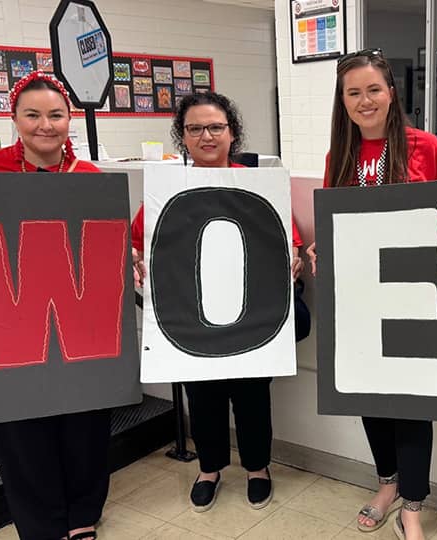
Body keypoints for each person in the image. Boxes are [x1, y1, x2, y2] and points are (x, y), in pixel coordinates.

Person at [0, 71, 107, 540]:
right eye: (32, 115)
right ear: (14, 118)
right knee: (21, 426)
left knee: (83, 421)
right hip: (10, 321)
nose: (45, 125)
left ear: (69, 119)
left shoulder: (89, 178)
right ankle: (40, 522)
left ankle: (82, 514)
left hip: (75, 321)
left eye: (55, 115)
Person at [130, 91, 303, 512]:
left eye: (216, 127)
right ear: (182, 136)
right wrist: (136, 262)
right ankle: (208, 469)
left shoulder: (259, 183)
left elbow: (289, 238)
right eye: (195, 129)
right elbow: (138, 242)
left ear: (232, 133)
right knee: (202, 396)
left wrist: (293, 259)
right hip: (190, 317)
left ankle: (258, 468)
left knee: (252, 395)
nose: (206, 136)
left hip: (251, 317)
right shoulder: (167, 190)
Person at [307, 48, 437, 540]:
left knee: (412, 401)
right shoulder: (339, 155)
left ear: (391, 93)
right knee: (372, 395)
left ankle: (413, 503)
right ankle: (386, 484)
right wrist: (318, 251)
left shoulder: (424, 146)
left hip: (414, 295)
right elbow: (335, 226)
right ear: (342, 100)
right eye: (354, 92)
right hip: (359, 298)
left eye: (374, 89)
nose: (365, 100)